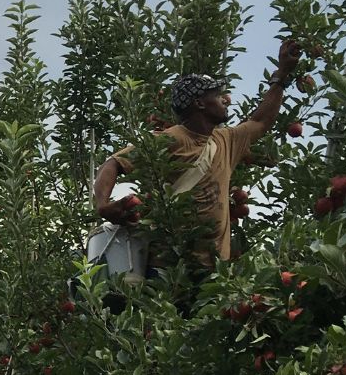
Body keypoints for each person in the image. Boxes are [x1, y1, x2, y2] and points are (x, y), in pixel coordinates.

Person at [93, 38, 303, 272]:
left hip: (213, 270)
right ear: (200, 103)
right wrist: (102, 204)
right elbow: (112, 164)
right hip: (170, 268)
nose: (225, 99)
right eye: (217, 95)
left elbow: (260, 121)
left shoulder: (225, 140)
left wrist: (281, 76)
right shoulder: (169, 139)